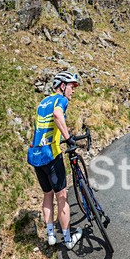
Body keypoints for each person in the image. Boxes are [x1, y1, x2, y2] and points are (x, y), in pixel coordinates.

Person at [26, 71, 83, 249]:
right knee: (62, 195)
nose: (73, 90)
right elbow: (58, 115)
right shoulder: (61, 100)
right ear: (62, 86)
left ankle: (51, 235)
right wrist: (68, 138)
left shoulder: (43, 102)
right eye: (71, 86)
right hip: (51, 155)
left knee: (47, 194)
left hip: (36, 155)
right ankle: (68, 239)